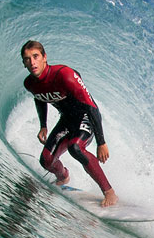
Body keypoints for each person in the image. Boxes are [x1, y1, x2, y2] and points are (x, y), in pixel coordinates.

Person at [20, 40, 118, 207]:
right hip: (66, 119)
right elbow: (39, 98)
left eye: (35, 56)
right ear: (24, 63)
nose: (32, 62)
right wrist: (43, 125)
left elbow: (92, 107)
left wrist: (101, 142)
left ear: (44, 57)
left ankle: (109, 192)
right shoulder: (29, 83)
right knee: (46, 161)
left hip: (86, 116)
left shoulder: (64, 75)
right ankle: (63, 177)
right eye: (27, 59)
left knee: (76, 148)